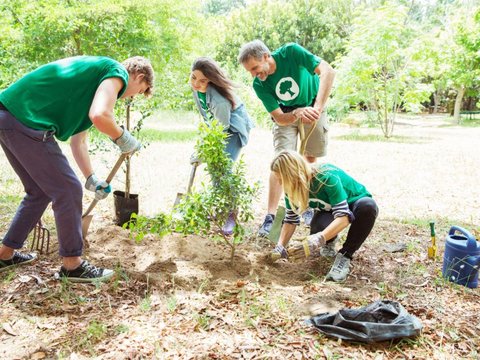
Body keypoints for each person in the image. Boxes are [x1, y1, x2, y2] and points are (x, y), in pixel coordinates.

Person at [0, 55, 154, 282]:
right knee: (68, 190)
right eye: (139, 91)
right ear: (139, 77)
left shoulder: (91, 86)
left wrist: (91, 178)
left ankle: (4, 255)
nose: (130, 97)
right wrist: (123, 138)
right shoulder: (116, 72)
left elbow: (78, 141)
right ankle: (73, 266)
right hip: (25, 119)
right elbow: (100, 116)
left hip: (9, 116)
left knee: (39, 191)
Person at [238, 40, 336, 237]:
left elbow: (328, 71)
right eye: (250, 71)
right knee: (281, 163)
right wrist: (297, 113)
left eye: (255, 68)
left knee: (309, 159)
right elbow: (280, 118)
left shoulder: (291, 53)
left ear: (266, 56)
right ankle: (271, 216)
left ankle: (306, 205)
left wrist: (316, 108)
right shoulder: (259, 84)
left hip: (313, 105)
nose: (254, 74)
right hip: (287, 116)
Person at [270, 150, 378, 282]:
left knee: (368, 207)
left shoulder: (326, 177)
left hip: (355, 203)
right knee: (317, 228)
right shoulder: (291, 188)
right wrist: (280, 246)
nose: (281, 184)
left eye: (282, 179)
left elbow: (344, 217)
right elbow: (291, 219)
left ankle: (345, 255)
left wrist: (318, 239)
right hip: (331, 209)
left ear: (293, 174)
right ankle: (330, 241)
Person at [190, 57, 254, 235]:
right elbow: (206, 116)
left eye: (202, 80)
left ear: (210, 79)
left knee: (223, 169)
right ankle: (221, 208)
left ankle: (231, 215)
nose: (196, 83)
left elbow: (222, 128)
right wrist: (202, 144)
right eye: (193, 77)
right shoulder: (195, 87)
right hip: (219, 125)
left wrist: (204, 151)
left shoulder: (219, 100)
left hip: (233, 128)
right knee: (213, 168)